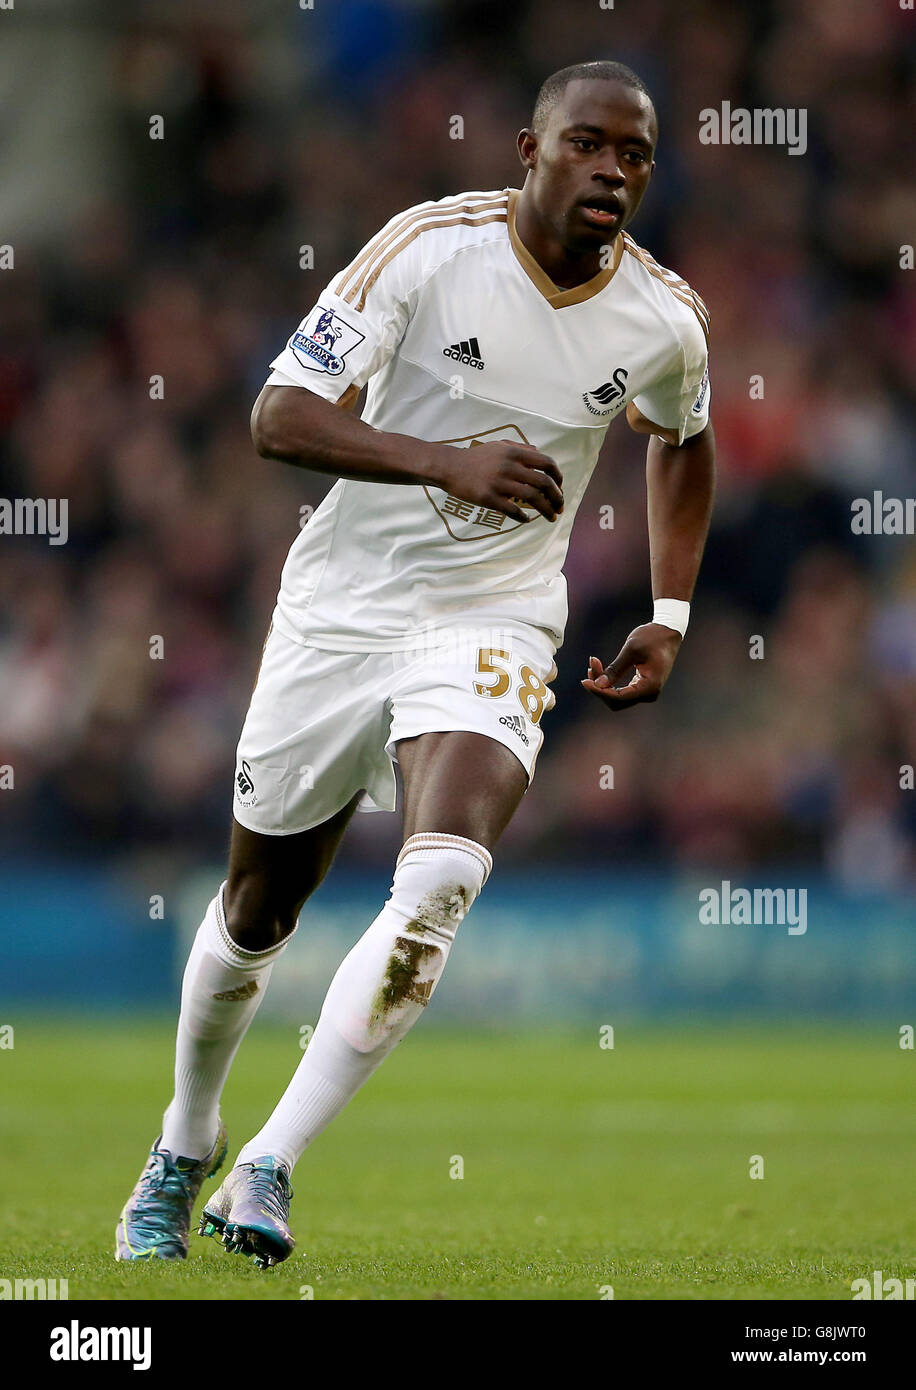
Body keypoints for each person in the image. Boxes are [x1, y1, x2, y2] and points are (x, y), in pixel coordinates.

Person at [116, 59, 716, 1269]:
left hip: (494, 619)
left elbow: (682, 439)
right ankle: (185, 1139)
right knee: (257, 907)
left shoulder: (665, 317)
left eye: (635, 154)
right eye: (587, 144)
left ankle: (268, 1164)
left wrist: (668, 609)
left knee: (441, 878)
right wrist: (440, 461)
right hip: (339, 609)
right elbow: (277, 417)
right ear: (526, 148)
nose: (612, 169)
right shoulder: (424, 250)